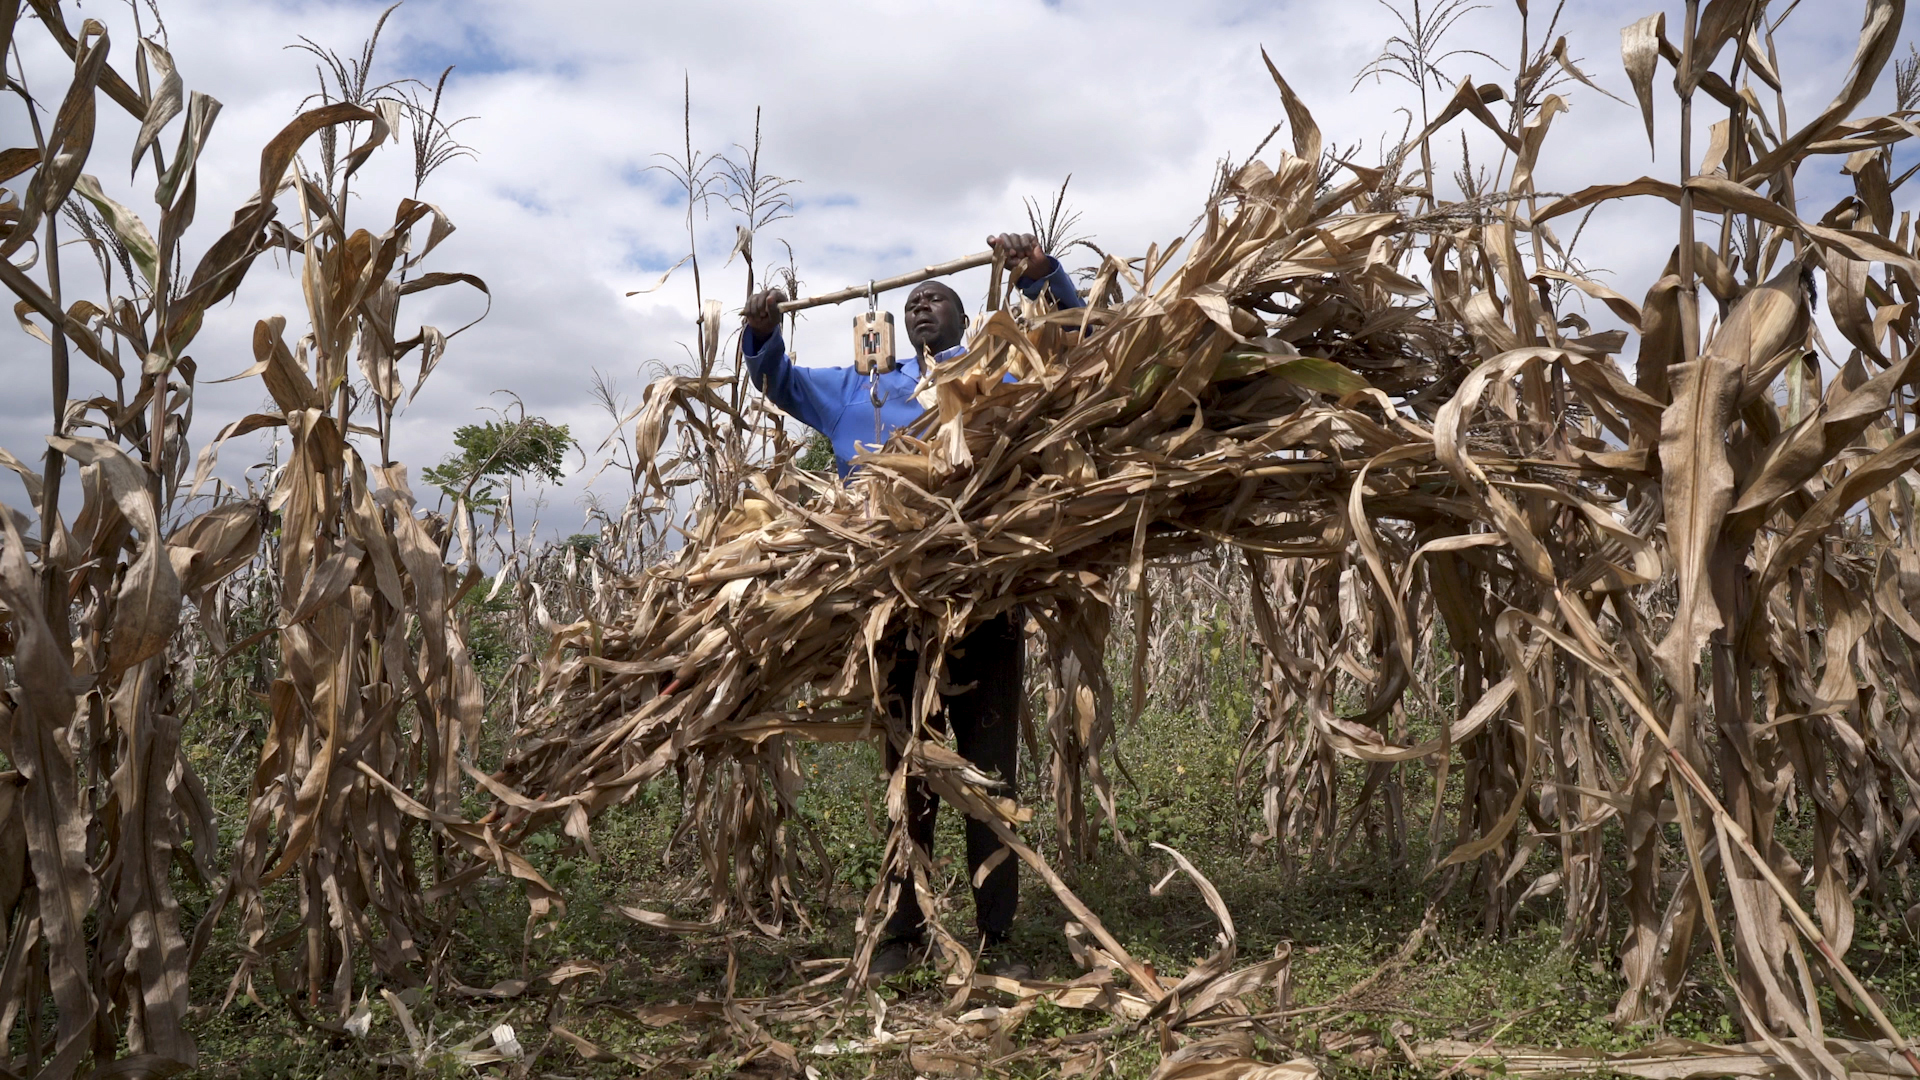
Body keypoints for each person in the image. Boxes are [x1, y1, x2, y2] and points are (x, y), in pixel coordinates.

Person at [739, 233, 1085, 980]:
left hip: (984, 604)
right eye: (910, 303)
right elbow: (779, 381)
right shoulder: (858, 390)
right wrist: (762, 332)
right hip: (893, 615)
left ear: (970, 319)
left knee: (989, 776)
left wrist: (1039, 275)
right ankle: (904, 928)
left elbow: (1072, 342)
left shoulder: (996, 374)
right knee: (910, 770)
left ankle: (998, 939)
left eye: (936, 299)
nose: (921, 304)